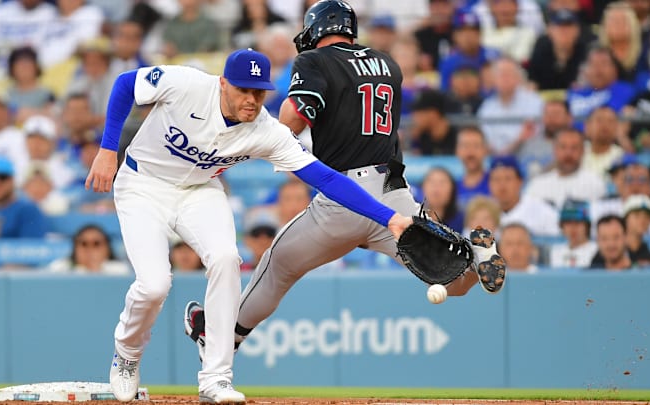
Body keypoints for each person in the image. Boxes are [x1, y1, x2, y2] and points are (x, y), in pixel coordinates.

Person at [183, 0, 506, 397]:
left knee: (277, 265)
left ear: (318, 28)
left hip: (345, 197)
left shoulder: (315, 62)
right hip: (396, 197)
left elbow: (296, 115)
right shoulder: (389, 63)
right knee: (451, 278)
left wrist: (256, 137)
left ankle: (218, 338)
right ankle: (475, 254)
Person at [85, 47, 419, 403]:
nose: (251, 99)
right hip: (142, 184)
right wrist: (108, 149)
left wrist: (390, 217)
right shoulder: (187, 84)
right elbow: (125, 84)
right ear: (223, 83)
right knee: (154, 285)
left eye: (258, 92)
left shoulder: (267, 131)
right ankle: (128, 354)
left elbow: (328, 180)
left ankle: (216, 378)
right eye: (243, 89)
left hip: (200, 191)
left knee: (227, 259)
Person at [48, 224, 130, 274]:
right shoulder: (59, 269)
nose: (89, 249)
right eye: (84, 244)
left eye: (96, 244)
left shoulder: (120, 271)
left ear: (108, 248)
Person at [550, 199, 597, 268]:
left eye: (577, 223)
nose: (573, 228)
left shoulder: (597, 251)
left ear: (587, 226)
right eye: (568, 223)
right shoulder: (555, 251)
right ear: (562, 226)